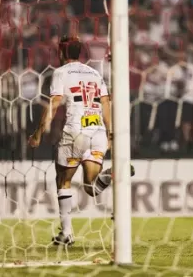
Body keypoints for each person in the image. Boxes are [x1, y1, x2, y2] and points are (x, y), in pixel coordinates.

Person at [28, 35, 134, 246]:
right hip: (98, 132)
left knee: (63, 181)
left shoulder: (60, 72)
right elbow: (105, 103)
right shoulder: (94, 73)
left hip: (75, 132)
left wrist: (38, 133)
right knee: (91, 187)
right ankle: (114, 173)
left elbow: (55, 103)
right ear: (80, 53)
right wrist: (110, 134)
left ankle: (66, 233)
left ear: (61, 53)